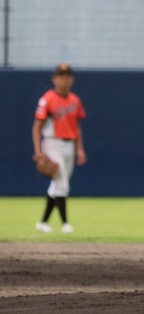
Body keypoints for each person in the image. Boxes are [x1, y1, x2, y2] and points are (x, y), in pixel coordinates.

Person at [33, 63, 87, 234]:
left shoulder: (75, 100)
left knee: (57, 185)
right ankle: (65, 224)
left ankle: (43, 223)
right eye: (61, 76)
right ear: (54, 79)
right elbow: (37, 127)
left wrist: (80, 149)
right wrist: (38, 152)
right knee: (62, 183)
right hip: (52, 143)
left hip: (69, 145)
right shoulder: (47, 99)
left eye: (67, 76)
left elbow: (76, 127)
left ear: (72, 79)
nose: (65, 79)